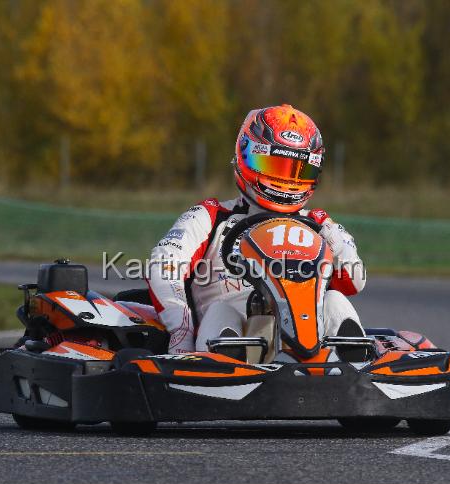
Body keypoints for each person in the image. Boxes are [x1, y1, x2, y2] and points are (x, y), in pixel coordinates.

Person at [146, 104, 366, 359]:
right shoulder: (211, 217)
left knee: (335, 302)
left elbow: (354, 280)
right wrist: (181, 330)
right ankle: (226, 368)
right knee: (221, 312)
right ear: (245, 155)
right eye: (273, 164)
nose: (285, 180)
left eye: (297, 170)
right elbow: (163, 266)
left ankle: (354, 371)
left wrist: (333, 238)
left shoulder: (319, 224)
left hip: (308, 354)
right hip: (229, 348)